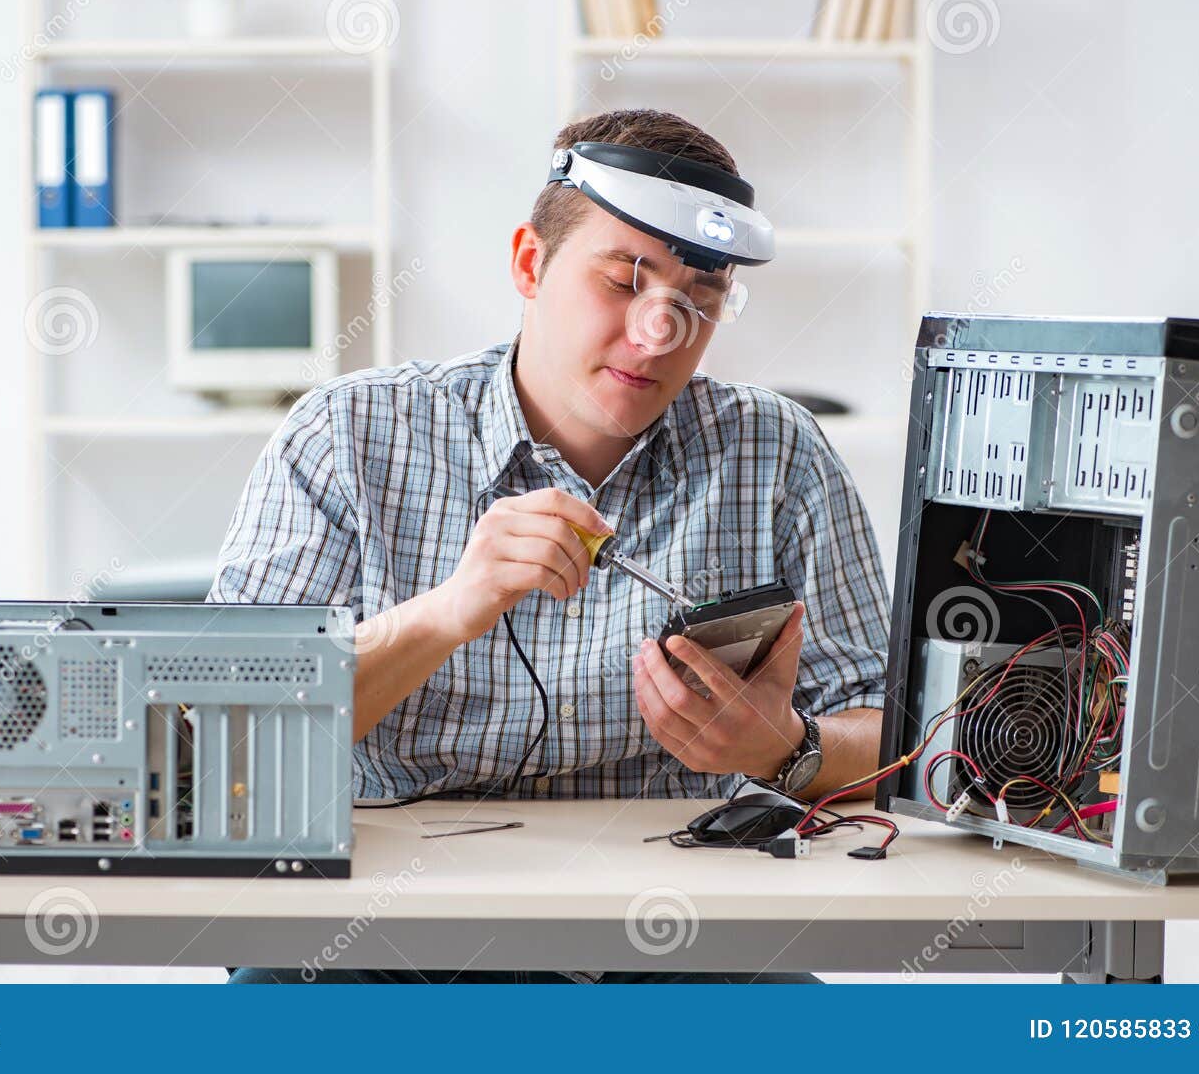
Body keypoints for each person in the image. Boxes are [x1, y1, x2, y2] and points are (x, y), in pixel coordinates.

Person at [209, 108, 889, 983]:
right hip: (383, 940)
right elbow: (229, 748)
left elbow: (905, 741)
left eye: (700, 300)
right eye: (623, 282)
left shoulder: (776, 451)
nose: (660, 333)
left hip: (679, 939)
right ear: (530, 264)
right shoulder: (346, 434)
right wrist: (447, 614)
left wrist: (783, 747)